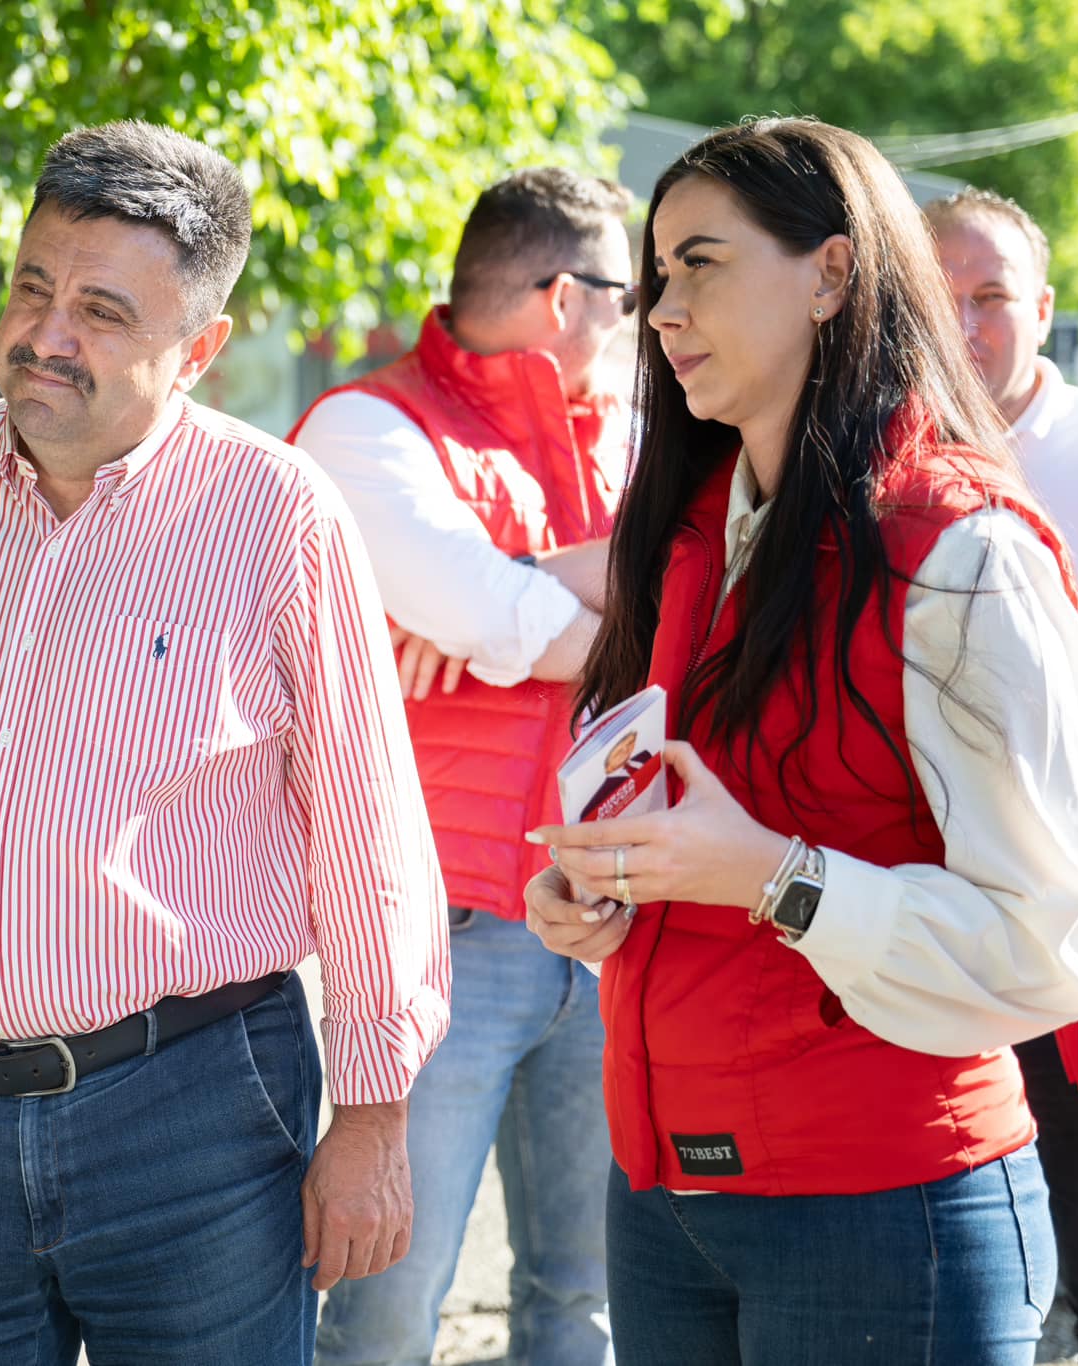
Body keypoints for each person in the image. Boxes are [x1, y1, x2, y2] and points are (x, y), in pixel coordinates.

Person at [0, 120, 452, 1366]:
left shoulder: (274, 517)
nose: (47, 335)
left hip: (193, 1121)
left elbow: (368, 833)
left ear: (201, 348)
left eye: (103, 312)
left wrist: (373, 1117)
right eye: (33, 287)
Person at [525, 117, 1078, 1364]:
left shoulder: (958, 556)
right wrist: (589, 896)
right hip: (662, 1194)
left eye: (701, 265)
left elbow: (1051, 947)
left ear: (832, 273)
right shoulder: (682, 530)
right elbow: (675, 820)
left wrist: (775, 878)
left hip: (885, 1210)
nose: (661, 310)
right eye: (656, 274)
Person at [292, 167, 633, 1366]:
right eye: (627, 294)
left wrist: (501, 599)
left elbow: (711, 617)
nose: (642, 323)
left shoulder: (641, 431)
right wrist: (521, 616)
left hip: (614, 917)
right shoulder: (362, 429)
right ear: (561, 297)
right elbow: (530, 631)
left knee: (584, 1301)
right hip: (441, 932)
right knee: (382, 1300)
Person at [931, 185, 1078, 1366]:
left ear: (1043, 309)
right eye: (938, 295)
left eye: (989, 296)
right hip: (927, 908)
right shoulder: (865, 454)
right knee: (978, 1242)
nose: (961, 324)